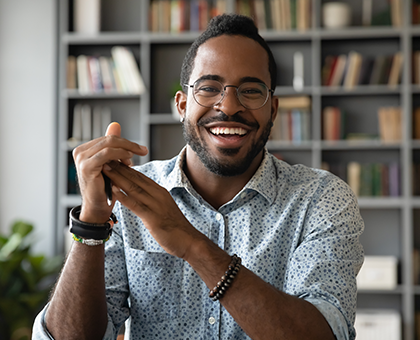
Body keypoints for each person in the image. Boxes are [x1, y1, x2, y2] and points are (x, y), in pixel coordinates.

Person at [33, 13, 364, 340]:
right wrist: (91, 222)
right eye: (209, 88)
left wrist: (191, 244)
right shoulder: (126, 196)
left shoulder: (322, 198)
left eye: (250, 91)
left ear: (273, 109)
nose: (230, 106)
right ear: (181, 105)